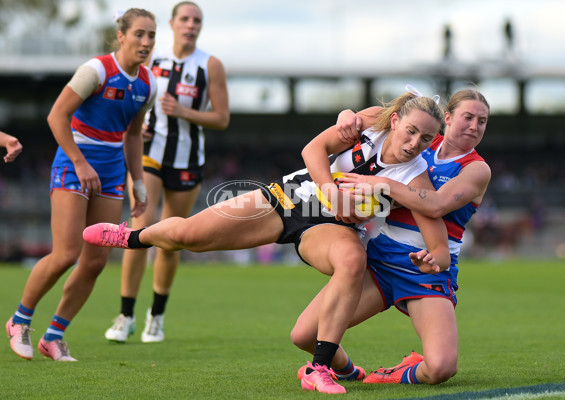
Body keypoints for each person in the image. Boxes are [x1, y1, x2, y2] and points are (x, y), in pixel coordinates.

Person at [84, 91, 449, 393]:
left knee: (352, 261)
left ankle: (318, 368)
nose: (415, 143)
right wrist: (331, 190)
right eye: (412, 131)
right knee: (187, 236)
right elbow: (312, 149)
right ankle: (132, 236)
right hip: (290, 197)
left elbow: (438, 242)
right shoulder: (369, 123)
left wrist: (433, 259)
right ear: (397, 120)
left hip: (331, 227)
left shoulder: (417, 178)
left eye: (426, 139)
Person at [290, 88, 491, 386]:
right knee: (304, 335)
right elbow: (377, 117)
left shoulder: (476, 169)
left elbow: (434, 204)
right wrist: (347, 116)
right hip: (382, 258)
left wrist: (381, 183)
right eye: (468, 117)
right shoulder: (421, 136)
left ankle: (398, 372)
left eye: (483, 121)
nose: (475, 126)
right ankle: (346, 369)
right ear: (446, 118)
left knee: (441, 368)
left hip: (428, 267)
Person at [5, 8, 157, 361]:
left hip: (111, 173)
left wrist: (139, 182)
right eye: (139, 34)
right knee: (66, 254)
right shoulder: (97, 70)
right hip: (74, 166)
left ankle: (54, 336)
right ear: (120, 36)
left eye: (151, 35)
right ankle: (19, 320)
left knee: (95, 261)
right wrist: (79, 162)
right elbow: (56, 116)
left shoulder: (147, 84)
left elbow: (133, 135)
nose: (145, 42)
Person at [104, 1, 230, 345]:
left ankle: (156, 316)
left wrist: (185, 112)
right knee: (140, 228)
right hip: (149, 153)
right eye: (185, 19)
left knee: (173, 239)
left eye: (197, 21)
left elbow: (221, 118)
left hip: (187, 158)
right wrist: (135, 126)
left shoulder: (210, 65)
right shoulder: (150, 56)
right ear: (173, 24)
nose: (191, 25)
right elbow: (128, 96)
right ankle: (126, 314)